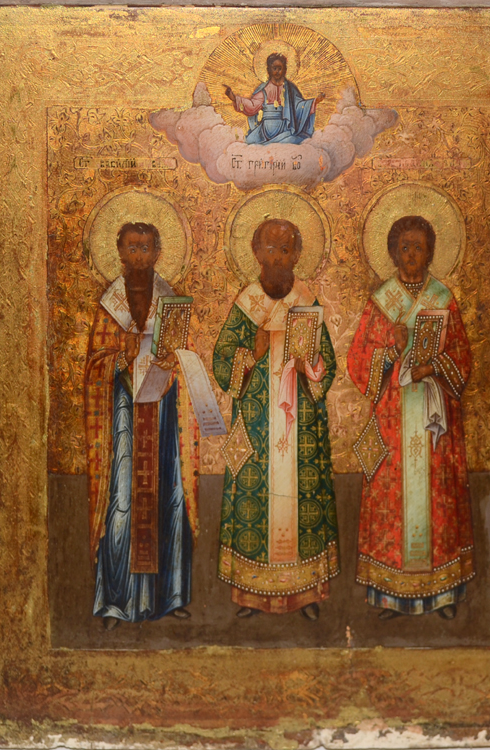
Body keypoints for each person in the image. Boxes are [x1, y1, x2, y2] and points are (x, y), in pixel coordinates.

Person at [347, 216, 474, 620]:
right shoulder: (381, 302)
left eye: (419, 247)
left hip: (434, 418)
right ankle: (391, 597)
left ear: (431, 251)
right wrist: (390, 347)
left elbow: (462, 357)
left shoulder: (443, 298)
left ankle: (443, 594)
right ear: (392, 252)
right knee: (393, 498)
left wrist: (432, 366)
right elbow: (357, 361)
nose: (412, 254)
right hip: (393, 419)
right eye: (405, 247)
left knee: (437, 496)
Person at [213, 219, 339, 620]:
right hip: (257, 426)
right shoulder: (247, 303)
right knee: (254, 501)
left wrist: (310, 366)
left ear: (297, 255)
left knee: (304, 499)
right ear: (256, 253)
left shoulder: (306, 300)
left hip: (301, 425)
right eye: (270, 249)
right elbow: (222, 361)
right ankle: (252, 595)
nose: (277, 257)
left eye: (285, 250)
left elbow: (327, 362)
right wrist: (252, 352)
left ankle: (307, 594)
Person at [84, 222, 199, 629]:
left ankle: (170, 596)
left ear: (157, 252)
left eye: (146, 247)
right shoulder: (110, 305)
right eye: (132, 248)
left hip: (163, 410)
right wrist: (121, 356)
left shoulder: (171, 299)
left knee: (169, 494)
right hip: (123, 410)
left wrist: (174, 361)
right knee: (122, 497)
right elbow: (94, 364)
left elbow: (187, 353)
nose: (139, 255)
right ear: (119, 252)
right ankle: (117, 601)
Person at [224, 53, 325, 145]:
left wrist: (314, 102)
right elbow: (252, 105)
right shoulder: (264, 89)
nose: (277, 71)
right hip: (264, 132)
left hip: (285, 131)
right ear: (269, 70)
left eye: (280, 68)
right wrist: (234, 98)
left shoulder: (290, 90)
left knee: (294, 141)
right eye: (274, 68)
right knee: (250, 141)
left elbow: (299, 106)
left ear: (285, 70)